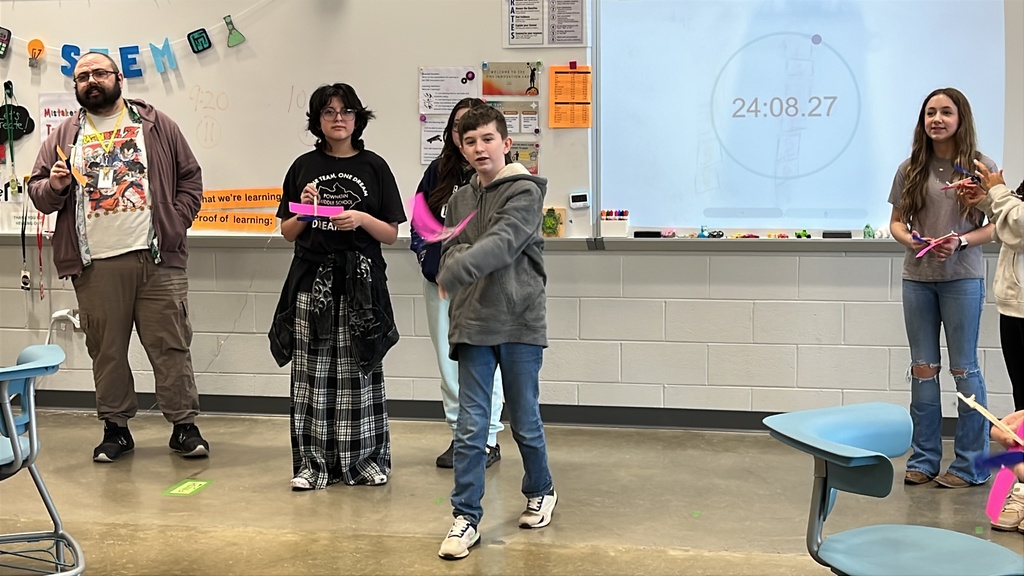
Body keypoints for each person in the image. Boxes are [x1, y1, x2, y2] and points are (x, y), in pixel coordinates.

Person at [27, 51, 208, 463]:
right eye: (83, 76)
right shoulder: (63, 136)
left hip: (158, 258)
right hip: (96, 265)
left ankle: (184, 427)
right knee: (106, 351)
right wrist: (53, 185)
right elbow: (40, 193)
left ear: (119, 78)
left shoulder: (156, 125)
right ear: (76, 87)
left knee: (171, 345)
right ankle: (116, 429)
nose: (91, 81)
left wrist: (176, 221)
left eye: (99, 73)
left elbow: (190, 178)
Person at [269, 83, 404, 491]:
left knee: (360, 371)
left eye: (345, 111)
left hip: (362, 287)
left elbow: (392, 234)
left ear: (358, 118)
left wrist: (361, 219)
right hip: (313, 283)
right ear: (318, 122)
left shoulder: (375, 167)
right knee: (311, 375)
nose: (338, 119)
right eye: (328, 113)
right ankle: (313, 465)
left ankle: (363, 461)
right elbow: (288, 231)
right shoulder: (302, 167)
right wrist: (308, 212)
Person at [435, 105, 556, 560]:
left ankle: (540, 489)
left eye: (487, 139)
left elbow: (504, 243)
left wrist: (463, 257)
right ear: (461, 149)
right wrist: (460, 256)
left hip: (520, 321)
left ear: (506, 144)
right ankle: (465, 518)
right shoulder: (460, 200)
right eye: (470, 142)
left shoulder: (525, 192)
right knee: (471, 427)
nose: (479, 148)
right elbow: (446, 254)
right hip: (472, 323)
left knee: (524, 420)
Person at [886, 87, 996, 488]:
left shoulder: (982, 167)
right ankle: (924, 460)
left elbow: (996, 225)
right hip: (918, 280)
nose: (937, 119)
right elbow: (897, 222)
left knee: (964, 369)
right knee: (923, 370)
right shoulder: (910, 167)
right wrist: (909, 240)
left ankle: (971, 465)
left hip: (963, 278)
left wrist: (962, 241)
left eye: (945, 112)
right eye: (930, 112)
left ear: (960, 118)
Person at [411, 97, 504, 469]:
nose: (472, 141)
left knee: (486, 363)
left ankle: (489, 438)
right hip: (440, 282)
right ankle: (459, 435)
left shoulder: (498, 174)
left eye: (479, 132)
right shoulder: (438, 171)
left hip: (483, 286)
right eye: (460, 130)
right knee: (449, 365)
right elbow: (419, 218)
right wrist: (427, 260)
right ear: (453, 136)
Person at [960, 162, 1024, 531]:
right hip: (1014, 305)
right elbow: (1011, 228)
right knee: (1022, 405)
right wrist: (988, 202)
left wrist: (998, 192)